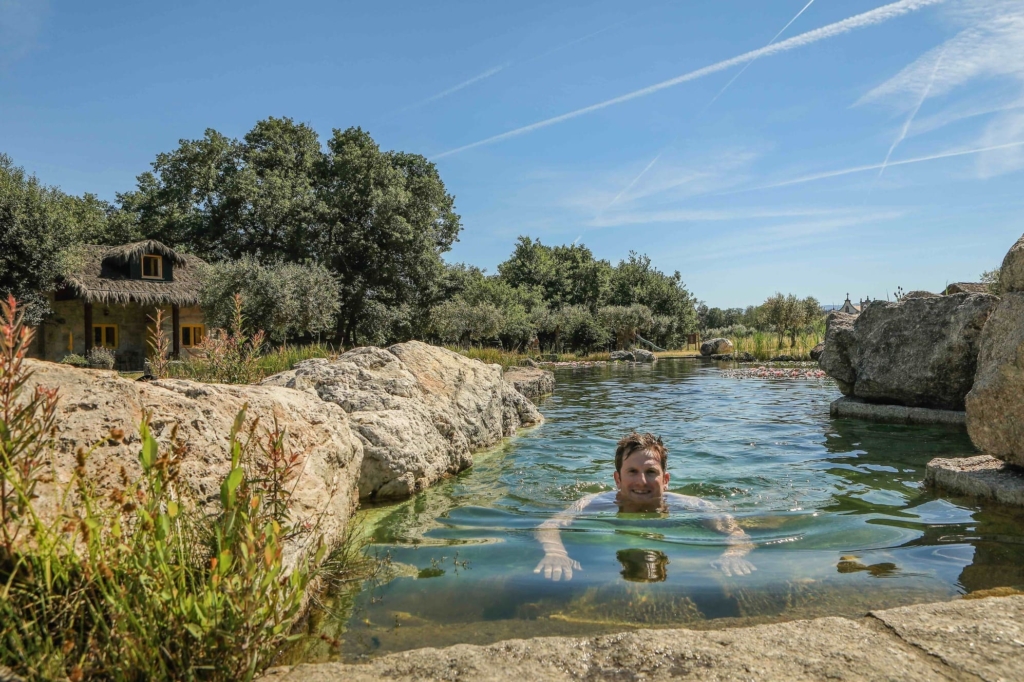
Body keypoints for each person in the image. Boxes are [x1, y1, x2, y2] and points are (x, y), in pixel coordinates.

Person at [534, 432, 757, 581]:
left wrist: (733, 554)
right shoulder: (592, 503)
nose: (641, 481)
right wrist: (556, 552)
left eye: (651, 472)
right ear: (618, 479)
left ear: (665, 480)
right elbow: (549, 525)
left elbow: (736, 533)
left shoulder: (692, 505)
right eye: (632, 472)